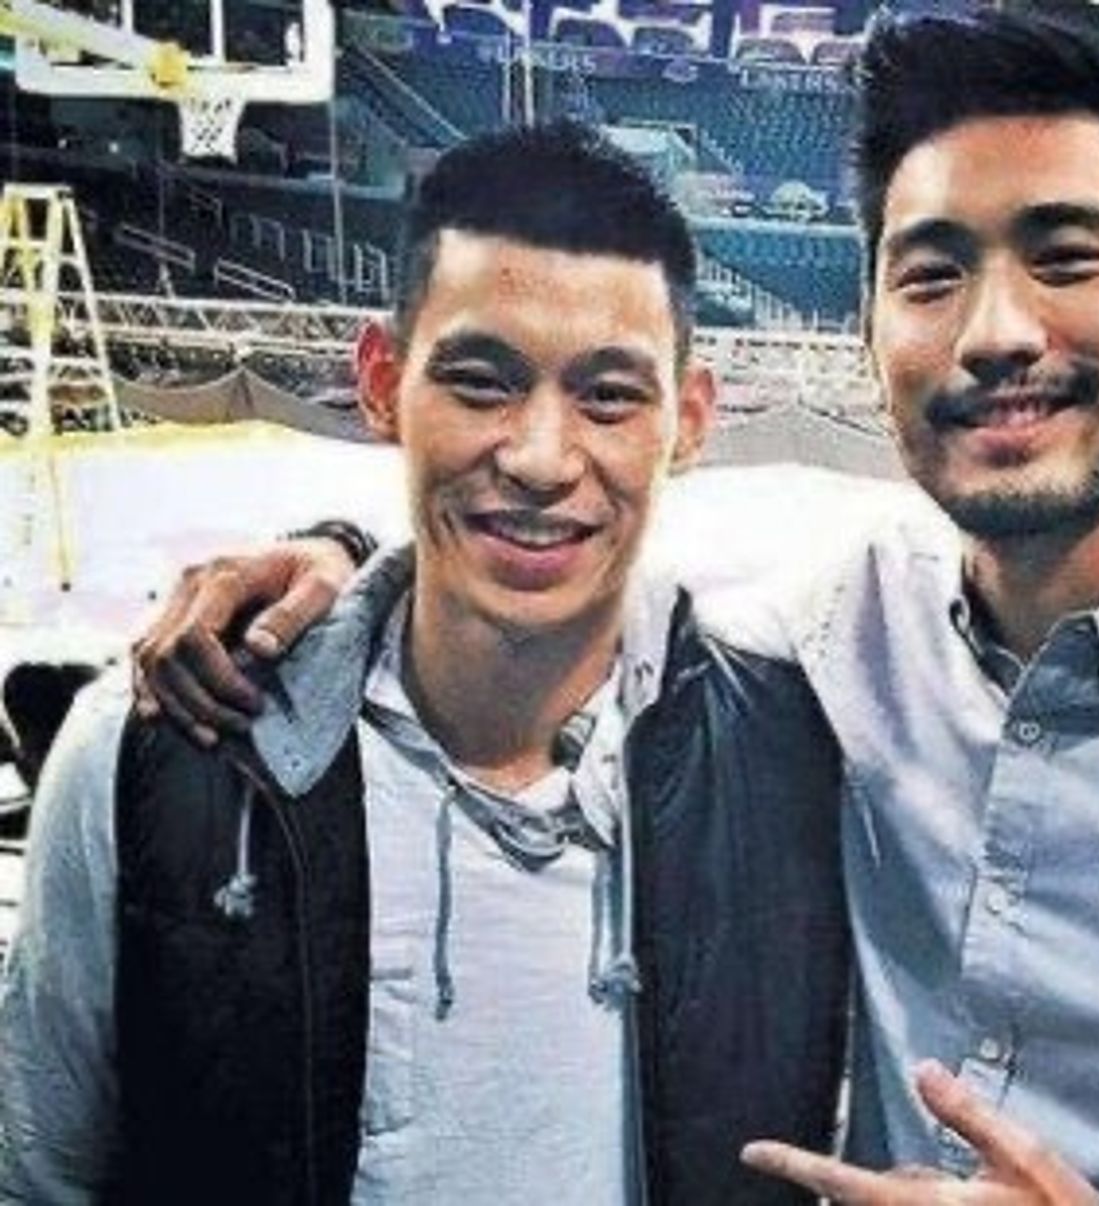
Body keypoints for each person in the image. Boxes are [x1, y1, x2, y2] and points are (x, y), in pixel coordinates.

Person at [128, 12, 1099, 1204]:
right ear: (873, 327)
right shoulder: (830, 646)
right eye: (932, 273)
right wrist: (333, 566)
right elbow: (542, 603)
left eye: (1065, 256)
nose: (997, 331)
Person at [0, 121, 852, 1204]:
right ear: (380, 382)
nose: (540, 459)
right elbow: (39, 1178)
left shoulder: (800, 754)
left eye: (609, 395)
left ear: (687, 422)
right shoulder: (149, 754)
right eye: (482, 382)